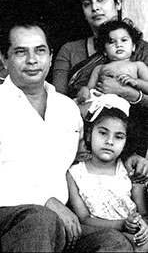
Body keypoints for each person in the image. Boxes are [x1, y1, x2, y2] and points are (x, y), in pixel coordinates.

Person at [0, 18, 144, 252]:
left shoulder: (67, 108)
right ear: (4, 59)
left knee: (113, 242)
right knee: (40, 219)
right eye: (20, 52)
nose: (32, 60)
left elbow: (88, 151)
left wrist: (128, 158)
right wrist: (46, 202)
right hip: (10, 218)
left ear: (50, 56)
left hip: (63, 223)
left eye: (40, 50)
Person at [67, 94, 148, 252]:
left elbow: (143, 212)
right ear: (90, 134)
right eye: (103, 133)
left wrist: (141, 225)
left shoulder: (128, 171)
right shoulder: (74, 173)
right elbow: (83, 218)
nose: (110, 141)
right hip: (99, 236)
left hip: (134, 235)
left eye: (118, 137)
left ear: (125, 143)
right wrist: (121, 225)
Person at [52, 0, 148, 100]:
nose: (95, 8)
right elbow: (57, 100)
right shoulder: (69, 50)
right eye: (87, 4)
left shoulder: (143, 50)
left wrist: (128, 93)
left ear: (118, 3)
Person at [76, 18, 148, 104]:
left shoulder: (138, 65)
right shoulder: (100, 68)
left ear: (133, 47)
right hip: (103, 103)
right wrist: (85, 90)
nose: (118, 45)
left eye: (124, 40)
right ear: (104, 51)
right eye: (111, 42)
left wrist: (136, 82)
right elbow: (90, 88)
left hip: (129, 105)